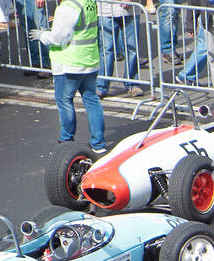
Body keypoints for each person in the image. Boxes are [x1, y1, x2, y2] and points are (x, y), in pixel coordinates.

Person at [38, 0, 107, 154]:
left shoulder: (67, 7)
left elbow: (58, 38)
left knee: (64, 100)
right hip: (89, 59)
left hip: (68, 62)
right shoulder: (88, 2)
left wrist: (42, 35)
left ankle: (66, 139)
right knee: (91, 100)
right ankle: (98, 143)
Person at [97, 1, 146, 97]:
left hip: (131, 10)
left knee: (132, 48)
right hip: (106, 9)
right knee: (106, 49)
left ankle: (132, 83)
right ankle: (101, 86)